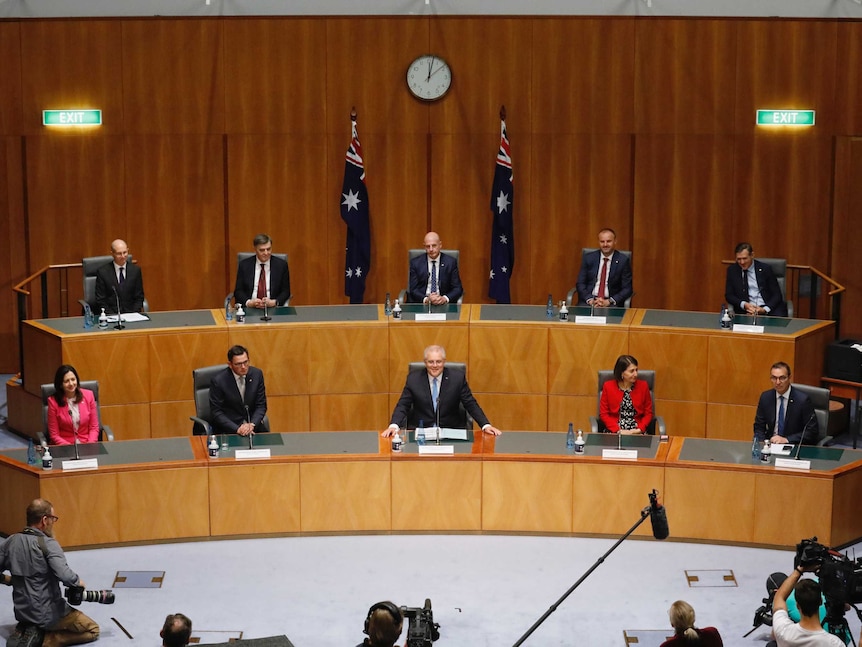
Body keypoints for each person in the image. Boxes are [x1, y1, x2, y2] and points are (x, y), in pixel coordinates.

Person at [0, 499, 100, 647]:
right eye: (53, 518)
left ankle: (29, 629)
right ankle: (45, 639)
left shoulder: (10, 541)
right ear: (44, 520)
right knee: (93, 629)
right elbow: (65, 576)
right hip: (48, 614)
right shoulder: (48, 544)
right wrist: (78, 582)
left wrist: (9, 580)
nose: (54, 522)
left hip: (22, 613)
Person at [383, 345, 501, 437]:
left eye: (438, 362)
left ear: (444, 362)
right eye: (431, 362)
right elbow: (403, 405)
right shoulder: (414, 379)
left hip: (451, 431)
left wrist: (485, 425)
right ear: (425, 362)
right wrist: (394, 426)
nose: (435, 365)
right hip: (422, 433)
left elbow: (470, 403)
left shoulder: (457, 378)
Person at [771, 563, 844, 646]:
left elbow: (779, 597)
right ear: (820, 601)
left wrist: (799, 570)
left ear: (798, 605)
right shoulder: (834, 643)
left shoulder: (784, 631)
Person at [753, 362, 818, 445]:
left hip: (793, 444)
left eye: (782, 378)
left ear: (789, 378)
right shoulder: (766, 397)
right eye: (774, 378)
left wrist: (786, 439)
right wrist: (761, 444)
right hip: (771, 445)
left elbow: (812, 431)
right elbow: (759, 426)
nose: (778, 382)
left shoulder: (802, 400)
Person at [209, 345, 268, 436]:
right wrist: (237, 429)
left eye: (246, 362)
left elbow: (261, 405)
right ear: (230, 365)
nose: (243, 367)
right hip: (229, 430)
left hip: (254, 428)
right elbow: (216, 412)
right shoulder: (219, 381)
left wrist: (251, 425)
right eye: (238, 364)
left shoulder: (257, 374)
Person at [724, 242, 788, 317]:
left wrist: (764, 309)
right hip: (745, 311)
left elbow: (777, 295)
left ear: (752, 255)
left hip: (768, 309)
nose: (742, 262)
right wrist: (744, 304)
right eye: (739, 259)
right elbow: (729, 295)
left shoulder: (765, 269)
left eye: (745, 258)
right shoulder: (732, 270)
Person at [575, 228, 633, 307]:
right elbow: (580, 283)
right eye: (602, 241)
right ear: (598, 242)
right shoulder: (589, 258)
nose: (605, 244)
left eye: (608, 241)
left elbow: (627, 288)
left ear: (615, 241)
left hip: (611, 302)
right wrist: (590, 300)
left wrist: (609, 301)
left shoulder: (622, 260)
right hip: (589, 301)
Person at [233, 233, 291, 309]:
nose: (266, 253)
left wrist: (274, 302)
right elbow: (238, 291)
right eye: (262, 250)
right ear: (255, 249)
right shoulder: (244, 265)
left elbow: (286, 291)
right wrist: (249, 302)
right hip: (250, 308)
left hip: (273, 308)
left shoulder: (281, 265)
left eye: (268, 249)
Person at [599, 354, 654, 434]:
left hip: (637, 430)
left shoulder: (643, 386)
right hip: (615, 431)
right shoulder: (608, 386)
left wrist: (639, 430)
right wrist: (618, 430)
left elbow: (648, 413)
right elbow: (604, 414)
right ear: (622, 373)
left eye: (636, 370)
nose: (636, 374)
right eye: (632, 371)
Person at [46, 365, 100, 445]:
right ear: (60, 384)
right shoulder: (53, 402)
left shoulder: (89, 396)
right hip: (64, 447)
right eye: (66, 381)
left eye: (73, 379)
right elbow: (54, 435)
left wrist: (90, 445)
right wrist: (70, 448)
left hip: (86, 444)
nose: (71, 383)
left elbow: (94, 427)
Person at [407, 232, 463, 305]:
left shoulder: (450, 262)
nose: (431, 249)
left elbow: (457, 289)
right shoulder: (416, 263)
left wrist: (444, 298)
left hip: (443, 303)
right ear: (424, 247)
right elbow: (413, 289)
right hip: (422, 303)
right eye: (428, 246)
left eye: (434, 246)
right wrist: (426, 299)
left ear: (440, 245)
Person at [94, 239, 145, 314]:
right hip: (111, 315)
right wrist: (113, 315)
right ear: (112, 253)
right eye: (119, 253)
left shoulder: (135, 271)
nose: (123, 256)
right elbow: (100, 300)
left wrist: (133, 314)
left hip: (132, 315)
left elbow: (139, 297)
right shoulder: (103, 272)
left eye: (125, 252)